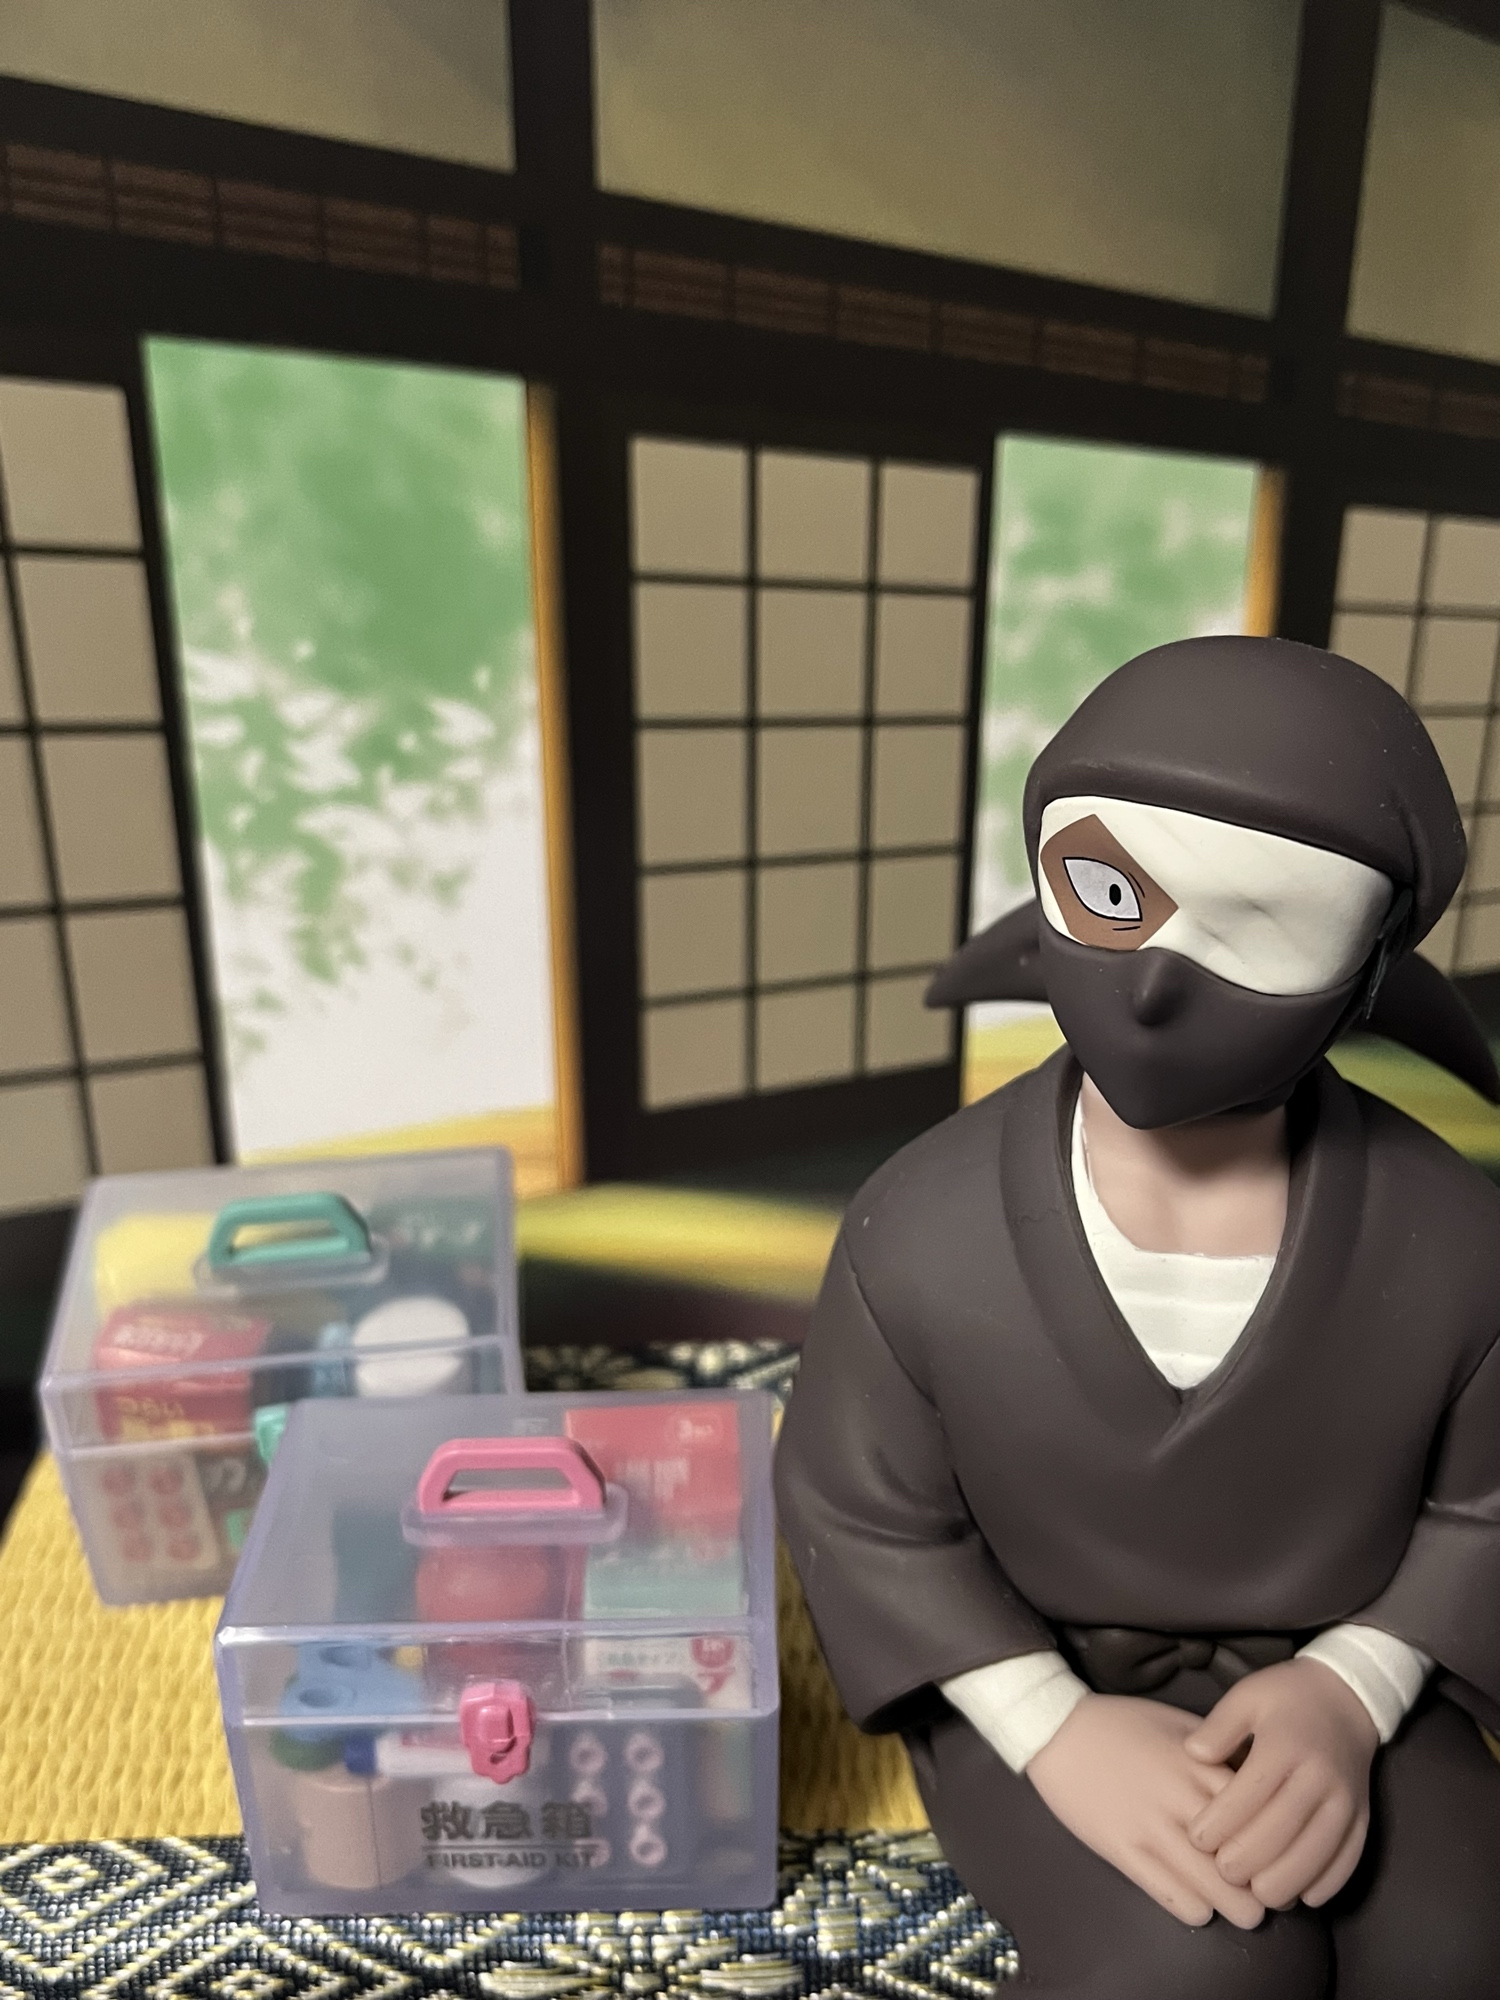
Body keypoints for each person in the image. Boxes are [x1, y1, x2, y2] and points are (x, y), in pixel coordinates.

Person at [775, 635, 1500, 1999]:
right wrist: (1049, 1726)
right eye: (1110, 893)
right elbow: (863, 1511)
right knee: (1195, 1972)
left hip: (1355, 1660)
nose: (1159, 982)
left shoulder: (1454, 1240)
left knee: (1459, 1944)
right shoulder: (920, 1227)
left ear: (1368, 969)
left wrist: (1357, 1687)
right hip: (1032, 1662)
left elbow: (1485, 1508)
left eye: (1265, 930)